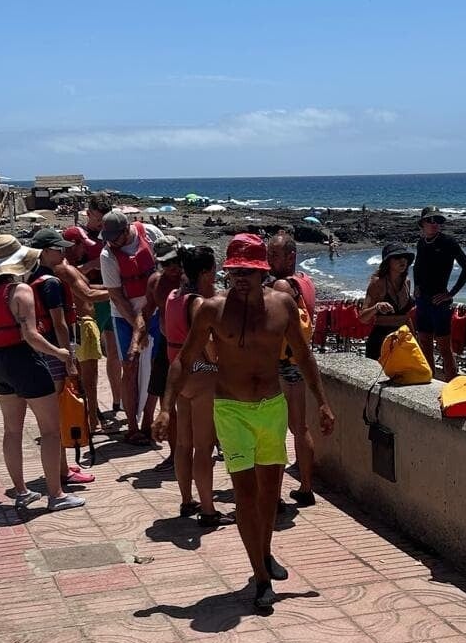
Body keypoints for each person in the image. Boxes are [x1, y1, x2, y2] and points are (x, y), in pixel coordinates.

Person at [155, 234, 335, 614]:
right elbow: (184, 360)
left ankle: (264, 554)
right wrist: (166, 407)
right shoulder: (211, 309)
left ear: (263, 272)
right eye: (234, 270)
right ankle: (262, 579)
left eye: (249, 272)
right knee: (245, 495)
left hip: (271, 407)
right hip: (231, 409)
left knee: (270, 494)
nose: (240, 278)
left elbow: (303, 356)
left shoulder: (282, 304)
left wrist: (322, 402)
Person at [0, 236, 84, 513]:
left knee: (12, 430)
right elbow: (31, 336)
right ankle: (56, 495)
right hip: (25, 361)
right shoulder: (19, 291)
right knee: (50, 431)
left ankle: (21, 491)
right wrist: (61, 353)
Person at [26, 229, 95, 488]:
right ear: (44, 252)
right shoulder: (52, 283)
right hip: (56, 352)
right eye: (57, 249)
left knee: (52, 415)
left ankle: (63, 466)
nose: (63, 252)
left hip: (41, 351)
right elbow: (60, 323)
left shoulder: (33, 278)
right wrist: (70, 358)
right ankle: (63, 472)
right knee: (56, 416)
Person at [161, 244, 222, 524]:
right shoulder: (197, 302)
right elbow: (209, 346)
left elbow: (164, 329)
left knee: (183, 445)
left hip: (178, 371)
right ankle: (208, 508)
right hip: (201, 374)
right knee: (203, 446)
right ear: (207, 272)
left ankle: (187, 500)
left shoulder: (173, 297)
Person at [99, 211, 171, 443]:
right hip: (124, 316)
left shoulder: (150, 233)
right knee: (129, 366)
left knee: (156, 366)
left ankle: (148, 420)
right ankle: (132, 426)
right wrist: (138, 328)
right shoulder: (107, 255)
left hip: (156, 310)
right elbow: (117, 296)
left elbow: (167, 267)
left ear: (126, 229)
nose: (112, 242)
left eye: (115, 237)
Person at [267, 227, 318, 507]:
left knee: (277, 430)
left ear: (291, 256)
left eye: (274, 254)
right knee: (301, 427)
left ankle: (274, 494)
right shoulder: (305, 281)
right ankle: (306, 486)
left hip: (285, 362)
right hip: (300, 359)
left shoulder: (281, 286)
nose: (268, 259)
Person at [62, 196, 123, 422]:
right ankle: (89, 408)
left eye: (103, 220)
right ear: (89, 214)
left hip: (107, 298)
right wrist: (91, 266)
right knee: (88, 359)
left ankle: (118, 401)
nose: (100, 224)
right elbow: (69, 272)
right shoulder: (77, 237)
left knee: (115, 353)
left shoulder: (110, 234)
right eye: (98, 219)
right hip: (90, 301)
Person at [413, 206, 466, 382]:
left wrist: (451, 293)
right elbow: (417, 266)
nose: (434, 224)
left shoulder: (448, 242)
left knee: (445, 348)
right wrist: (416, 286)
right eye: (430, 220)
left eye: (438, 220)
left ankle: (452, 385)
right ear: (422, 223)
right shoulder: (421, 243)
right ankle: (428, 381)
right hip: (422, 302)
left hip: (440, 303)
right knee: (424, 343)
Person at [138, 240, 184, 446]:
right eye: (166, 263)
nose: (172, 267)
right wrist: (138, 336)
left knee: (197, 399)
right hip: (167, 345)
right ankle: (174, 453)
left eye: (175, 261)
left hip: (190, 346)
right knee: (166, 397)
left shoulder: (190, 279)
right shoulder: (155, 282)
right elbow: (147, 311)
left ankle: (213, 441)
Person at [360, 242, 415, 360]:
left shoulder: (406, 281)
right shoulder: (377, 283)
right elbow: (363, 318)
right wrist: (376, 307)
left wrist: (414, 339)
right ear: (388, 261)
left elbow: (406, 315)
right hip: (381, 340)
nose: (402, 261)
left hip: (402, 338)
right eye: (397, 257)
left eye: (405, 257)